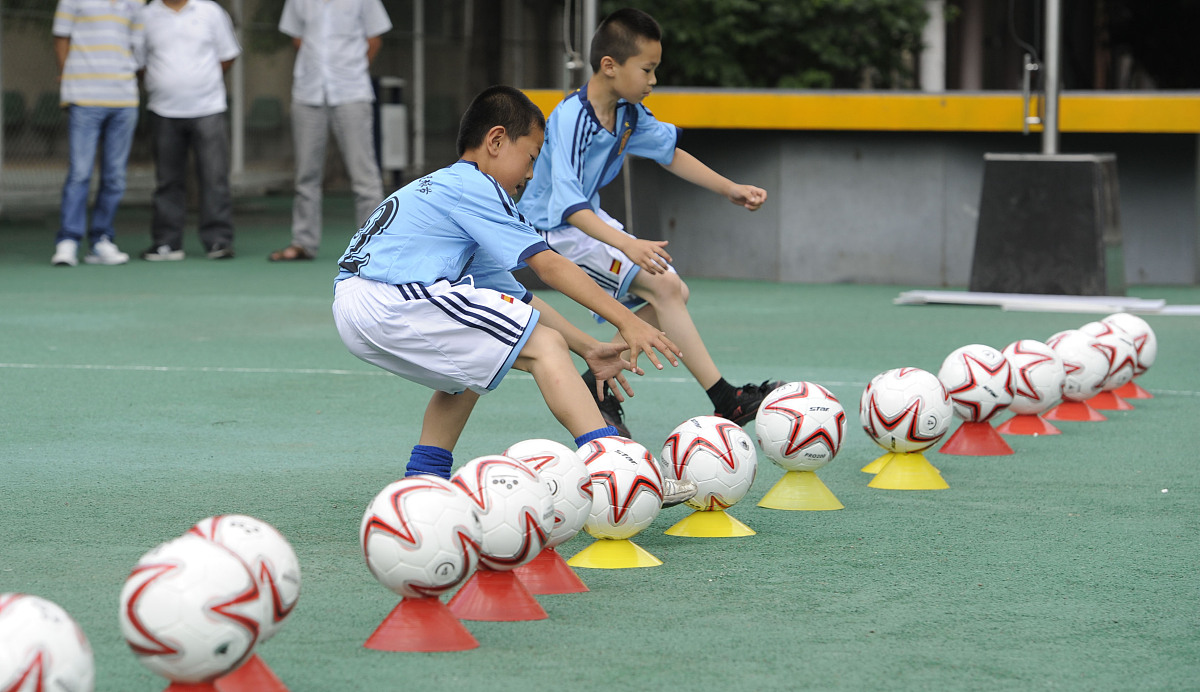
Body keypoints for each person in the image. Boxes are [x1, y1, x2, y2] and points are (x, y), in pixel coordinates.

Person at [331, 85, 694, 504]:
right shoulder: (476, 187)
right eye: (532, 157)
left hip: (361, 303)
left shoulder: (450, 191)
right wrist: (626, 321)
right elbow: (550, 265)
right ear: (497, 140)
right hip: (394, 296)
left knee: (468, 370)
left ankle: (422, 488)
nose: (531, 173)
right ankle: (618, 469)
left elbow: (519, 299)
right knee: (543, 345)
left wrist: (590, 348)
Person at [516, 8, 780, 437]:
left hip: (587, 220)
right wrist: (624, 243)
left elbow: (671, 153)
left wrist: (728, 188)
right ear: (609, 66)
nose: (653, 80)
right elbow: (567, 206)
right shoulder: (569, 119)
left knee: (673, 293)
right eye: (647, 69)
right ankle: (725, 398)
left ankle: (598, 380)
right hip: (554, 229)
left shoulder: (627, 113)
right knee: (665, 288)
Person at [268, 0, 390, 262]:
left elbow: (374, 40)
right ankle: (303, 242)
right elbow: (298, 39)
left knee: (364, 176)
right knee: (306, 175)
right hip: (308, 91)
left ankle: (372, 247)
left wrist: (350, 69)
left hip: (351, 91)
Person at [136, 0, 240, 261]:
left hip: (208, 108)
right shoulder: (145, 15)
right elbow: (139, 63)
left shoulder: (211, 12)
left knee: (214, 177)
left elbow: (227, 56)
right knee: (167, 180)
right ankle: (167, 243)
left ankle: (218, 241)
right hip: (163, 110)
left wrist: (199, 81)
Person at [50, 0, 145, 267]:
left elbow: (137, 47)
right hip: (84, 97)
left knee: (115, 176)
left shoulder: (138, 2)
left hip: (124, 100)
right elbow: (61, 38)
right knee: (80, 172)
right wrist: (67, 77)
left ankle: (101, 240)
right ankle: (68, 240)